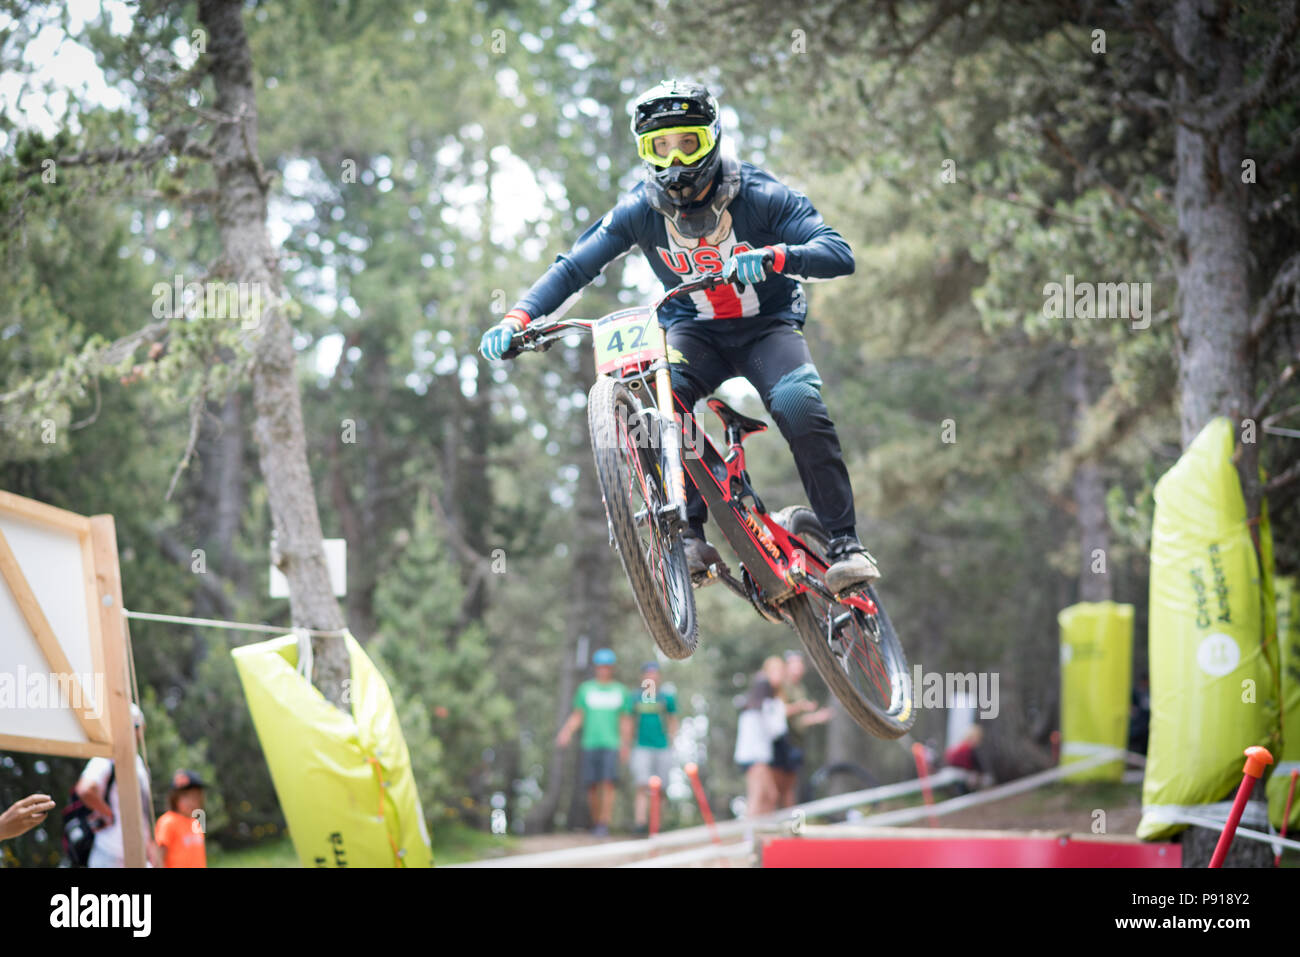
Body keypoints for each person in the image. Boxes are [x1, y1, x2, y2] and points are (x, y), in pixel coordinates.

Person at [479, 78, 879, 594]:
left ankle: (845, 544)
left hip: (768, 326)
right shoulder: (638, 210)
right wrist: (519, 317)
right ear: (644, 152)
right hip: (693, 330)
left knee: (798, 403)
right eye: (658, 147)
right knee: (658, 398)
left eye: (687, 142)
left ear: (711, 137)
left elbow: (838, 252)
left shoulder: (760, 194)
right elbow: (576, 267)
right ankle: (688, 533)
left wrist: (778, 256)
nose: (673, 160)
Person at [74, 703, 161, 867]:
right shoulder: (106, 758)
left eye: (137, 727)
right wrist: (109, 814)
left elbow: (142, 808)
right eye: (131, 727)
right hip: (110, 853)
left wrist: (148, 844)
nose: (135, 732)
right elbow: (85, 789)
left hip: (136, 854)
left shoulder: (138, 762)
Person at [556, 649, 627, 836]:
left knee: (608, 783)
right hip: (590, 743)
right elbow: (578, 715)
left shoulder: (620, 691)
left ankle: (604, 823)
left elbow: (625, 720)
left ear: (611, 668)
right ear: (596, 668)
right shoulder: (586, 689)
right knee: (592, 785)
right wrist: (566, 732)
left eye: (607, 667)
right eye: (600, 666)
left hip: (611, 743)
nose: (603, 670)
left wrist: (625, 744)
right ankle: (596, 822)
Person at [623, 662, 679, 832]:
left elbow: (672, 720)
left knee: (661, 788)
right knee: (642, 785)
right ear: (643, 677)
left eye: (654, 673)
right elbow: (628, 721)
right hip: (641, 747)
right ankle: (640, 823)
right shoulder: (635, 697)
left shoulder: (666, 697)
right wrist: (626, 744)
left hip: (662, 747)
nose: (652, 677)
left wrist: (672, 740)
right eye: (648, 674)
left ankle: (657, 825)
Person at [771, 650, 832, 807]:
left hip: (796, 743)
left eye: (800, 664)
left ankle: (788, 823)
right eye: (794, 664)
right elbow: (780, 712)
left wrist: (817, 717)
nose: (798, 668)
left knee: (789, 787)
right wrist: (802, 706)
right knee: (777, 787)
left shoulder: (800, 688)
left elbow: (800, 721)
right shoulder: (782, 686)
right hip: (782, 742)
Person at [734, 673, 787, 817]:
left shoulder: (748, 707)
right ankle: (750, 835)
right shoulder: (765, 707)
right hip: (757, 758)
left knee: (770, 795)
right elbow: (777, 730)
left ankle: (763, 833)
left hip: (750, 757)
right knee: (757, 796)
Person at [154, 769, 207, 868]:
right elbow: (159, 856)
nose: (192, 801)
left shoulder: (196, 823)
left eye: (195, 796)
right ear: (174, 798)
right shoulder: (168, 821)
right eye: (186, 796)